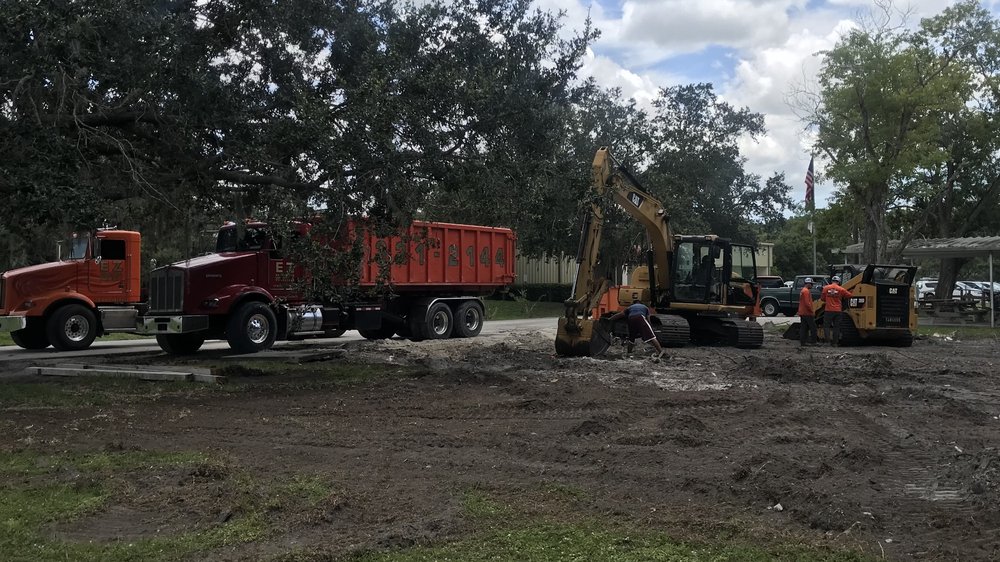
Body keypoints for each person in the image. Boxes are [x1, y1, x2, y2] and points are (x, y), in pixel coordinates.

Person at [822, 275, 853, 346]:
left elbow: (822, 299)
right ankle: (835, 343)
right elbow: (850, 295)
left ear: (831, 281)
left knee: (826, 326)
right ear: (838, 282)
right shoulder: (841, 289)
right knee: (836, 327)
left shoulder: (826, 288)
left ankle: (827, 342)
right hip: (838, 310)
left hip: (828, 310)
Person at [798, 277, 818, 346]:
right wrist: (812, 311)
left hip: (802, 312)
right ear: (808, 284)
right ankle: (814, 342)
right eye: (811, 284)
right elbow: (807, 303)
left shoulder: (803, 290)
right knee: (813, 328)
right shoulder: (806, 291)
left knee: (804, 328)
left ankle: (803, 342)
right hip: (807, 313)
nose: (812, 285)